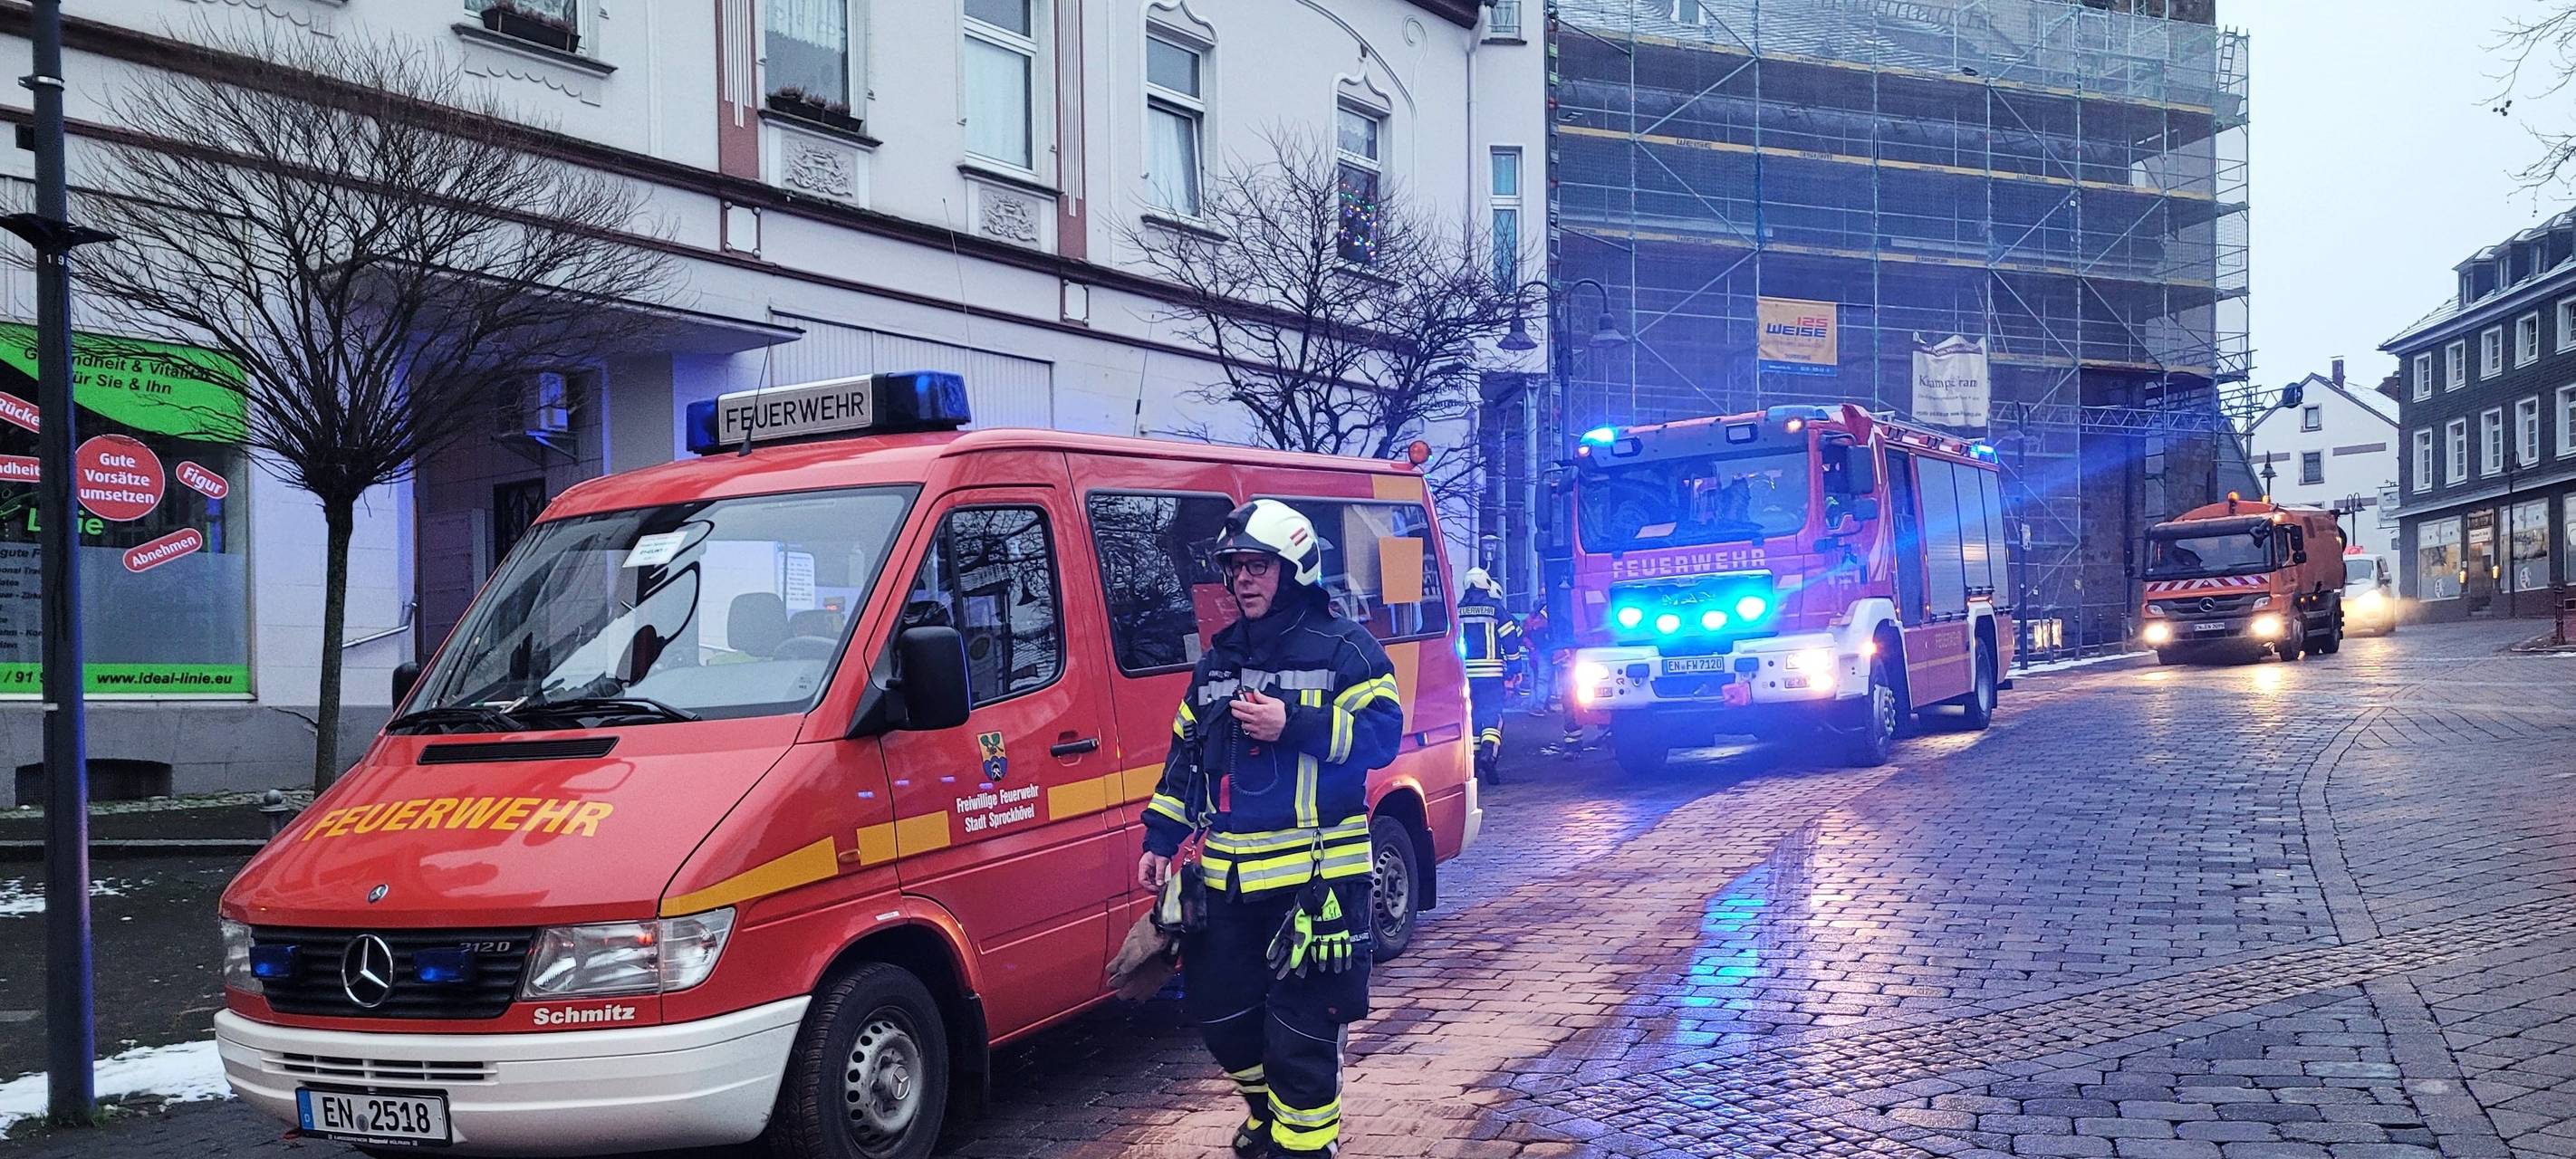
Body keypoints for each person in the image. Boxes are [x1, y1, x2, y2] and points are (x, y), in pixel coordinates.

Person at [1139, 499, 1402, 1159]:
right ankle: (1268, 1114)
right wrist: (1160, 840)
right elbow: (1185, 758)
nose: (1242, 579)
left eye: (1258, 565)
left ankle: (1303, 1148)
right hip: (1229, 885)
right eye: (1234, 567)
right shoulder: (1219, 661)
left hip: (1319, 886)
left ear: (1294, 569)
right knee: (1221, 1016)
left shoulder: (1347, 649)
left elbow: (1382, 738)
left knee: (1301, 1039)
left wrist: (1295, 725)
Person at [1456, 568, 1521, 785]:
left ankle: (1474, 762)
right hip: (1491, 673)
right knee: (1493, 714)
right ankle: (1487, 753)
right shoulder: (1496, 609)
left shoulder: (1458, 610)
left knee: (1473, 716)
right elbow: (1509, 639)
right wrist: (1515, 666)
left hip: (1465, 674)